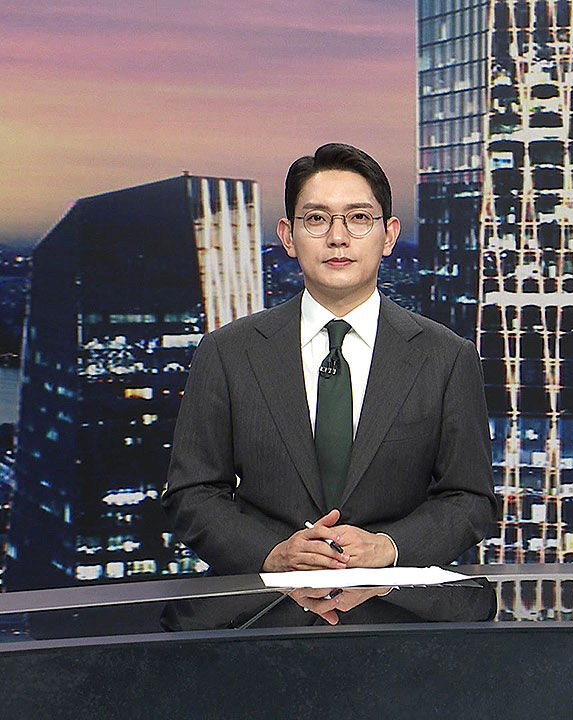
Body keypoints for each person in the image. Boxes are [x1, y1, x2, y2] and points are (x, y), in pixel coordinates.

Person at [163, 143, 497, 576]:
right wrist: (272, 554)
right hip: (264, 606)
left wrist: (388, 547)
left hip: (397, 607)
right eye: (317, 219)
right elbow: (191, 494)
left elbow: (470, 499)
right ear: (288, 236)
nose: (338, 237)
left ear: (389, 235)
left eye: (359, 218)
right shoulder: (227, 353)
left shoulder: (446, 357)